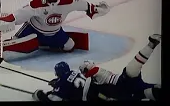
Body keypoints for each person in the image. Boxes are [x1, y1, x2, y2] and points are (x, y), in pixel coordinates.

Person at [0, 0, 110, 67]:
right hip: (33, 29)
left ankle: (42, 44)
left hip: (55, 32)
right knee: (21, 45)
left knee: (69, 46)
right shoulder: (37, 3)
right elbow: (18, 15)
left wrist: (96, 9)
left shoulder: (67, 0)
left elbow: (85, 5)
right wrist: (4, 20)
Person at [32, 34, 161, 101]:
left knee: (140, 88)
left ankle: (150, 45)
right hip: (118, 84)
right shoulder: (78, 72)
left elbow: (54, 99)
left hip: (114, 90)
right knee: (141, 83)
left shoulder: (67, 80)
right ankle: (150, 45)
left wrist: (39, 94)